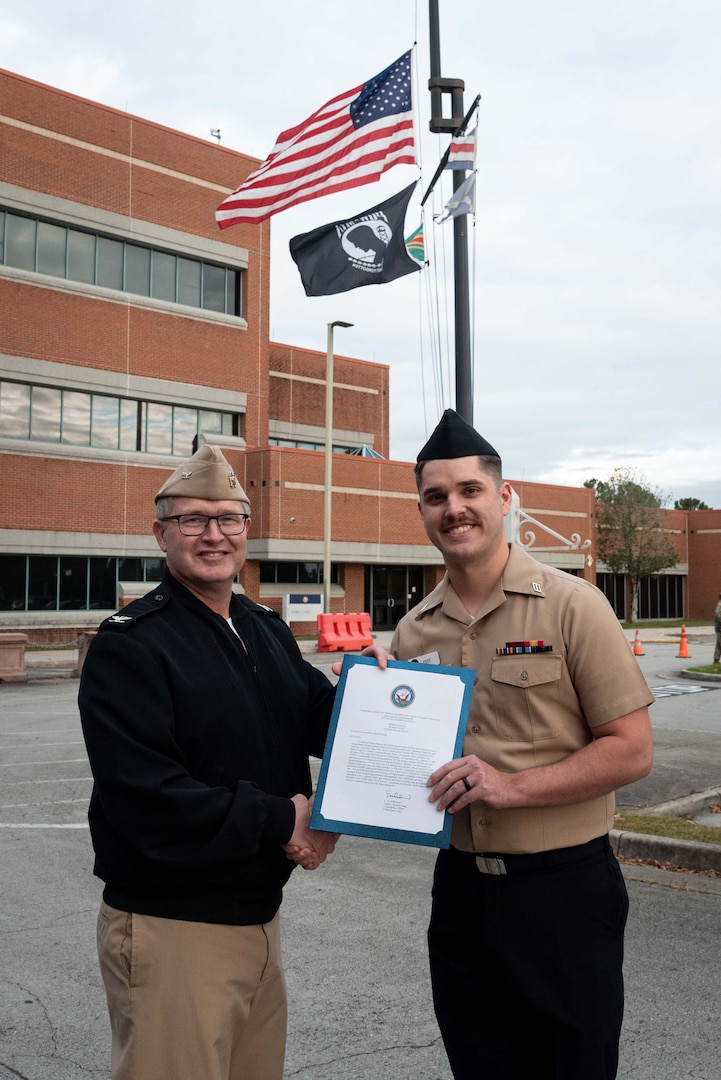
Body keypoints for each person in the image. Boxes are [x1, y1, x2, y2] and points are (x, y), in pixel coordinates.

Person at [390, 410, 654, 1080]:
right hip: (460, 898)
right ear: (420, 510)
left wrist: (511, 787)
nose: (453, 508)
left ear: (504, 498)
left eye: (469, 491)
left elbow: (629, 749)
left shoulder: (572, 606)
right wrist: (367, 705)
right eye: (435, 496)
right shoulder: (413, 634)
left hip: (561, 893)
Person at [79, 444, 341, 1080]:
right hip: (175, 930)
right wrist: (284, 819)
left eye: (230, 518)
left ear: (247, 530)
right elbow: (149, 798)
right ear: (160, 533)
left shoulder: (263, 628)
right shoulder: (131, 647)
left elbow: (322, 719)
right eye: (193, 519)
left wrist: (391, 695)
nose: (214, 534)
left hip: (259, 923)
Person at [714, 591, 721, 663]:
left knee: (719, 644)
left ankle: (716, 659)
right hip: (720, 627)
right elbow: (718, 615)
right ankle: (716, 659)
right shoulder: (720, 605)